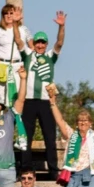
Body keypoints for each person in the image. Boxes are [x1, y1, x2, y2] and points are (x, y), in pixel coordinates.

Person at [16, 13, 66, 177]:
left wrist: (61, 26)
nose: (40, 45)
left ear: (46, 44)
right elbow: (18, 41)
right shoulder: (28, 55)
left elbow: (59, 43)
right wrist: (16, 23)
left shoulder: (50, 56)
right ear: (34, 43)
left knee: (50, 137)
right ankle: (25, 168)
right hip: (29, 101)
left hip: (46, 101)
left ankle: (53, 170)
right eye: (37, 42)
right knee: (26, 138)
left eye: (43, 42)